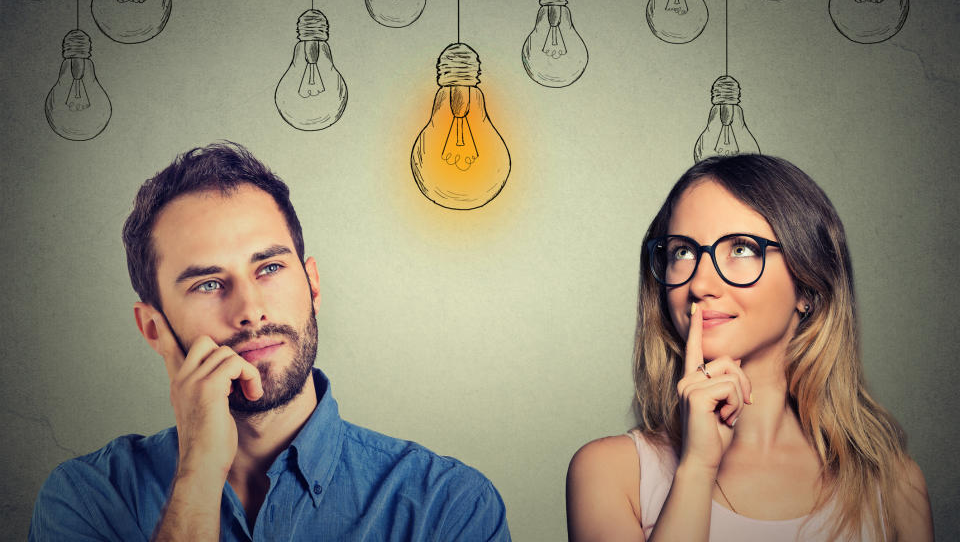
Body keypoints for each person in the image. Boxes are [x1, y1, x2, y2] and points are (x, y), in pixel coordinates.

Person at [30, 142, 510, 541]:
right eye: (208, 284)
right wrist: (197, 475)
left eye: (270, 268)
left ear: (313, 285)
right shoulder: (86, 499)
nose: (250, 310)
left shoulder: (445, 507)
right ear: (153, 328)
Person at [566, 154, 933, 541]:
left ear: (807, 287)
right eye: (682, 252)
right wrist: (696, 469)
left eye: (741, 249)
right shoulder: (610, 473)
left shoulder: (894, 485)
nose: (700, 284)